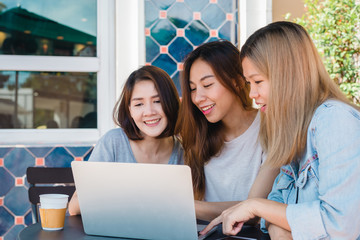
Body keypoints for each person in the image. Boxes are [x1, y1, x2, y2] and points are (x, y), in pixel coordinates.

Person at [201, 21, 360, 239]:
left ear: (288, 75)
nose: (252, 94)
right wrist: (277, 225)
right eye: (249, 83)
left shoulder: (334, 120)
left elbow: (340, 224)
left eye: (257, 81)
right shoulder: (294, 130)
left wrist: (256, 206)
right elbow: (277, 204)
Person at [176, 40, 279, 222]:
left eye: (207, 85)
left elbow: (254, 208)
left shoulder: (271, 127)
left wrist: (186, 206)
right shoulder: (196, 134)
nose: (198, 98)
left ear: (238, 81)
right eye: (192, 89)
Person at [69, 65, 183, 215]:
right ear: (130, 110)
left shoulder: (182, 151)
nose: (149, 112)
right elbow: (74, 207)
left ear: (172, 103)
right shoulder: (113, 143)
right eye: (139, 104)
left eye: (158, 101)